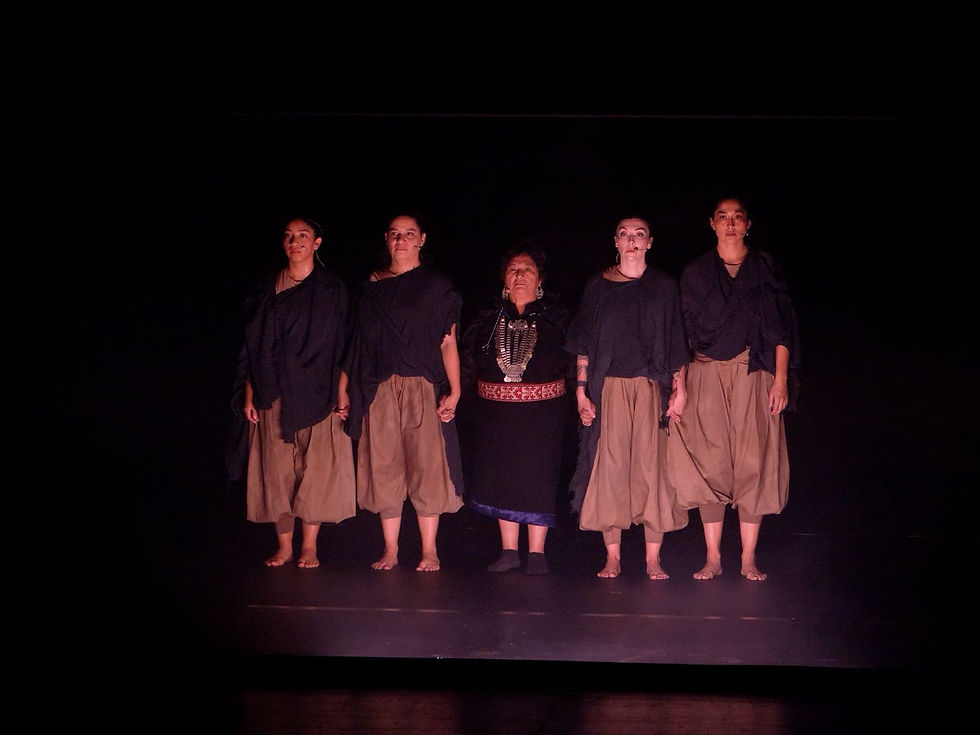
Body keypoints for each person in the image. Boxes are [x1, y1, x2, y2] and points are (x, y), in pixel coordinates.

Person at [665, 196, 800, 581]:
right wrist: (681, 385)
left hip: (751, 371)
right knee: (711, 462)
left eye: (736, 217)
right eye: (722, 217)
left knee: (752, 461)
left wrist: (780, 379)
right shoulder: (696, 272)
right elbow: (684, 334)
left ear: (747, 224)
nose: (730, 223)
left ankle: (748, 557)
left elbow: (780, 327)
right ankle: (712, 557)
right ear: (711, 223)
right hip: (705, 372)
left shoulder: (763, 268)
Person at [566, 216, 691, 580]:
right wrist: (580, 391)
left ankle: (653, 558)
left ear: (650, 242)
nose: (632, 241)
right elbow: (584, 344)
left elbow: (675, 343)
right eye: (625, 234)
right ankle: (613, 556)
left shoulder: (664, 287)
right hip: (610, 388)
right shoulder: (599, 286)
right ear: (615, 242)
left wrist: (679, 390)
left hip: (650, 387)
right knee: (611, 468)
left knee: (652, 470)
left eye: (639, 235)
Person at [341, 212, 464, 572]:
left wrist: (455, 391)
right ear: (386, 239)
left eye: (409, 233)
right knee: (385, 467)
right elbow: (357, 343)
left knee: (427, 467)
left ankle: (429, 550)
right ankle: (391, 549)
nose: (401, 240)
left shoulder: (438, 287)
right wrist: (344, 388)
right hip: (379, 386)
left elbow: (448, 342)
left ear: (422, 239)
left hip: (423, 385)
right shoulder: (371, 286)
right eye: (395, 234)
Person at [234, 215, 356, 568]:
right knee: (276, 470)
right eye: (289, 236)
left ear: (317, 242)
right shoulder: (266, 289)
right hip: (273, 388)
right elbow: (252, 345)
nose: (295, 242)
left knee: (314, 469)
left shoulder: (332, 289)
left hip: (319, 391)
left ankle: (309, 546)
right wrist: (249, 392)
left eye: (303, 235)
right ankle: (285, 546)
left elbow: (345, 343)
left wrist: (343, 391)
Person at [460, 244, 575, 575]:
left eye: (527, 269)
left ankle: (537, 553)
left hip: (543, 416)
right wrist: (454, 395)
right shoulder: (486, 320)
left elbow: (574, 361)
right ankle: (509, 551)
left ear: (540, 279)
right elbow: (468, 363)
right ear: (504, 280)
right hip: (496, 415)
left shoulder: (559, 319)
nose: (520, 274)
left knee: (538, 477)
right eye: (513, 269)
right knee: (501, 476)